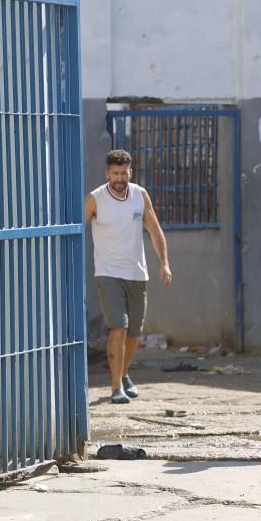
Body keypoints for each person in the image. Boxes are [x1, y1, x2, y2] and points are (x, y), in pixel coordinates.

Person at [85, 149, 172, 404]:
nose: (120, 178)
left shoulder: (139, 195)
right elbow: (78, 230)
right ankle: (115, 388)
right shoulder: (95, 199)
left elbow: (154, 230)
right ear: (107, 174)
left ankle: (124, 375)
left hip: (137, 272)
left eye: (124, 173)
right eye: (115, 173)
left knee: (134, 332)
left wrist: (164, 263)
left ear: (130, 172)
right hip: (108, 272)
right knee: (118, 327)